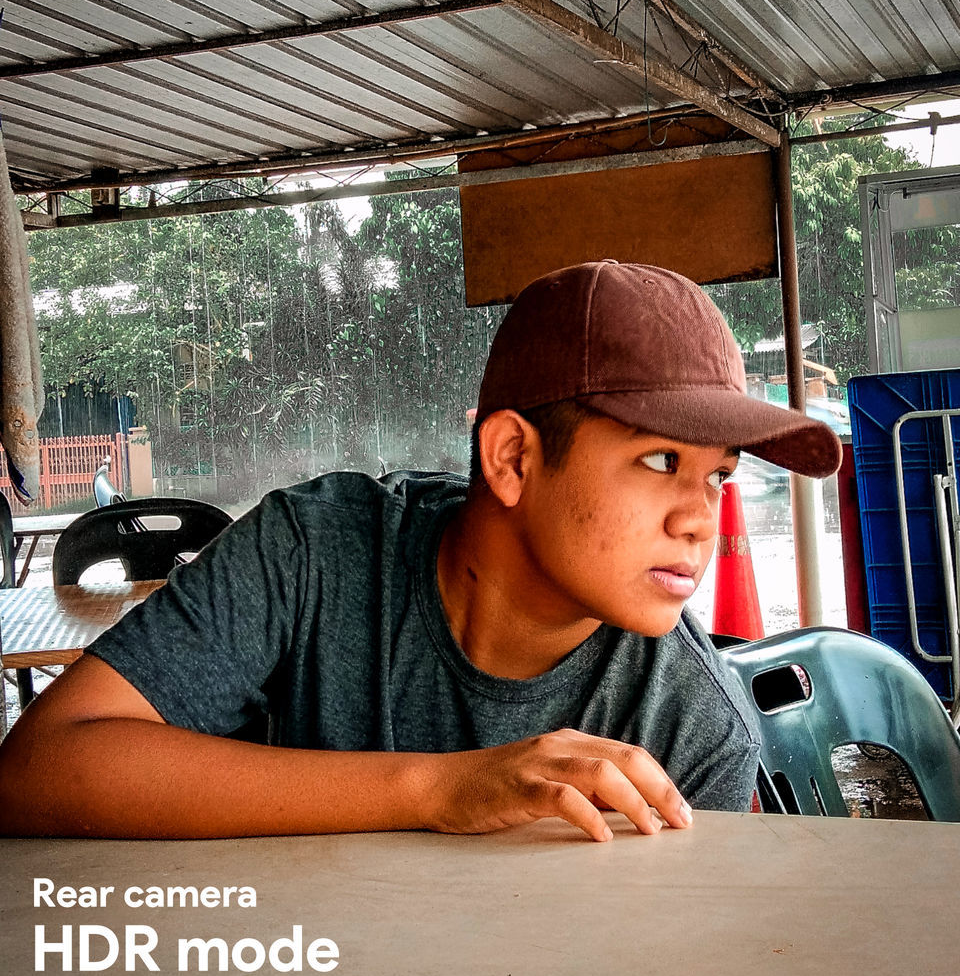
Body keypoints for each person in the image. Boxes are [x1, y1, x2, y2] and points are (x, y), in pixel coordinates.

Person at [0, 261, 840, 842]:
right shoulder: (316, 552)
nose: (701, 519)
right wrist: (438, 788)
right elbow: (39, 769)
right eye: (662, 461)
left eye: (719, 477)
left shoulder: (690, 723)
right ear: (513, 458)